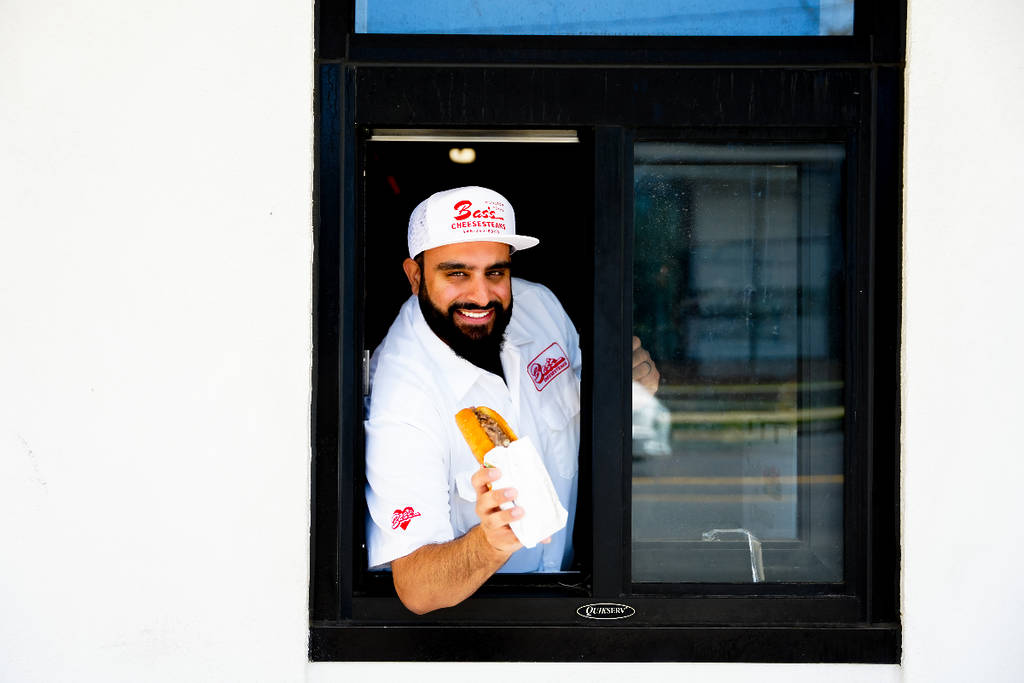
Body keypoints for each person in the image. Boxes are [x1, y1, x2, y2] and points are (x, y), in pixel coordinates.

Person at [364, 186, 659, 614]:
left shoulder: (539, 307)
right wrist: (490, 543)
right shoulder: (403, 396)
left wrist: (629, 390)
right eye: (457, 273)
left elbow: (586, 412)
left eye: (496, 272)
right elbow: (418, 587)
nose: (482, 296)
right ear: (415, 276)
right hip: (478, 626)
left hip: (570, 594)